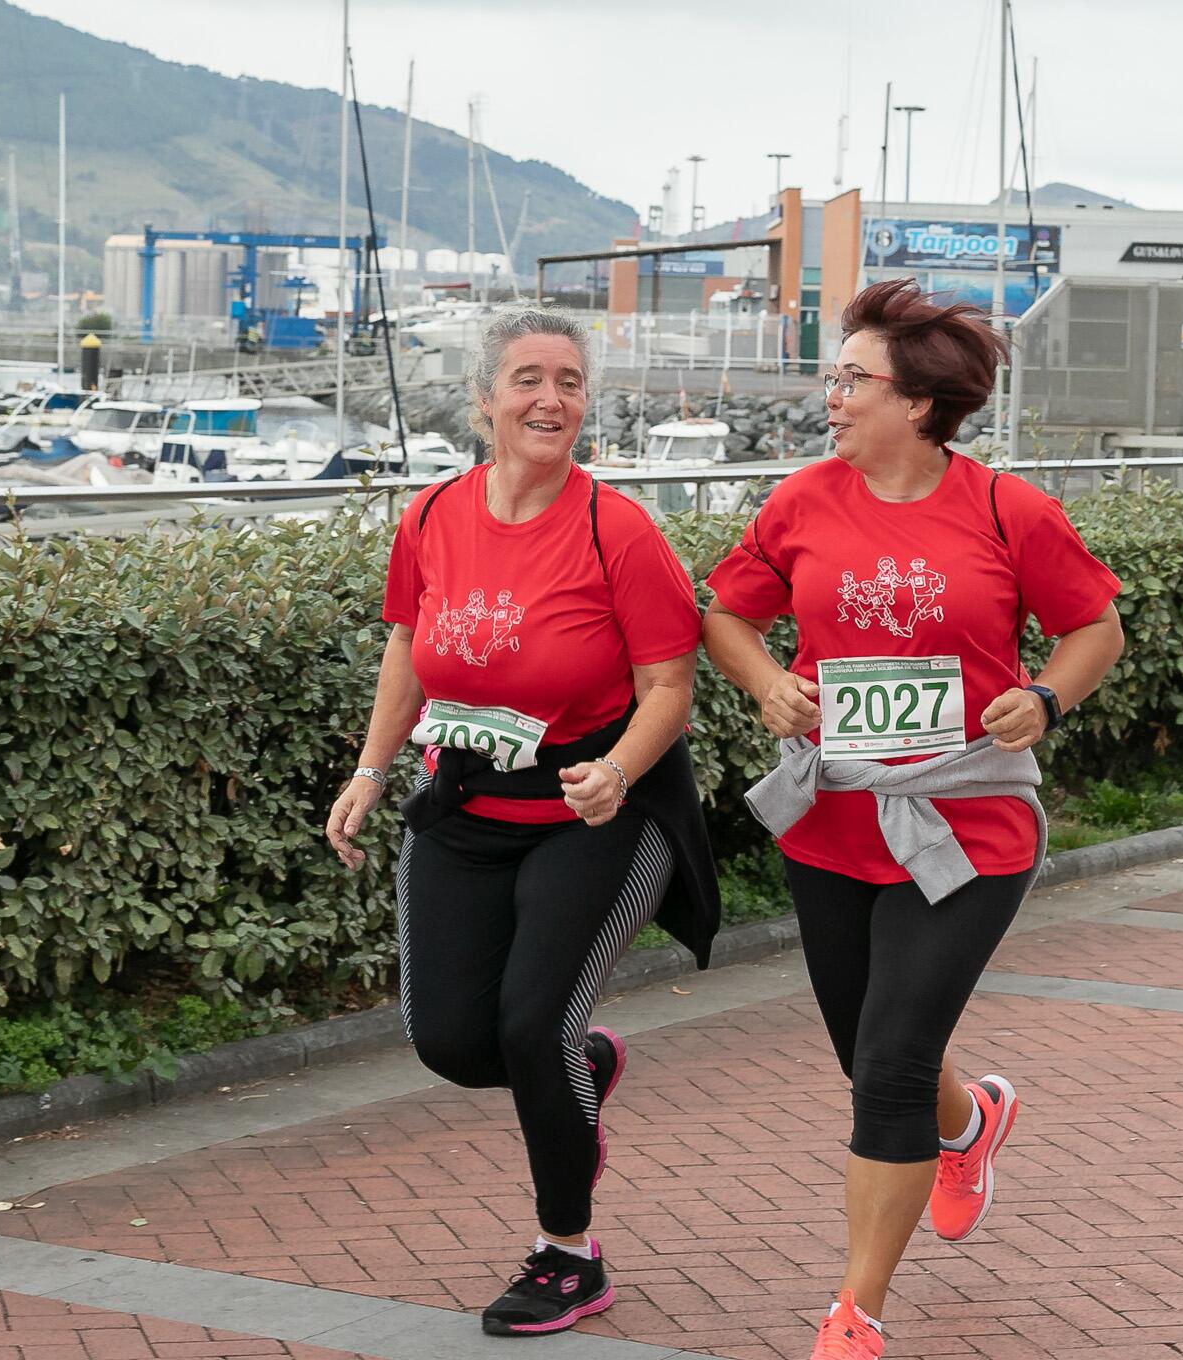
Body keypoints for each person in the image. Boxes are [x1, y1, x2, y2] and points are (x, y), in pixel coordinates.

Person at [701, 279, 1125, 1360]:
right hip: (833, 821)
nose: (832, 395)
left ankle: (855, 1311)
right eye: (834, 376)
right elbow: (728, 615)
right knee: (872, 1052)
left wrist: (1046, 697)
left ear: (921, 400)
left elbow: (1095, 630)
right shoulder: (800, 502)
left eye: (853, 378)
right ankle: (969, 1123)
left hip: (970, 824)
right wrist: (765, 684)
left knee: (888, 1064)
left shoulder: (1005, 511)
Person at [326, 302, 720, 1338]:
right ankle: (578, 1067)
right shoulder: (432, 516)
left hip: (593, 811)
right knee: (453, 1040)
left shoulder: (616, 529)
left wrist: (619, 771)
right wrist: (372, 766)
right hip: (463, 803)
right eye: (529, 380)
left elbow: (669, 686)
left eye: (571, 382)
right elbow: (409, 651)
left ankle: (567, 1253)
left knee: (529, 1021)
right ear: (485, 400)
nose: (551, 399)